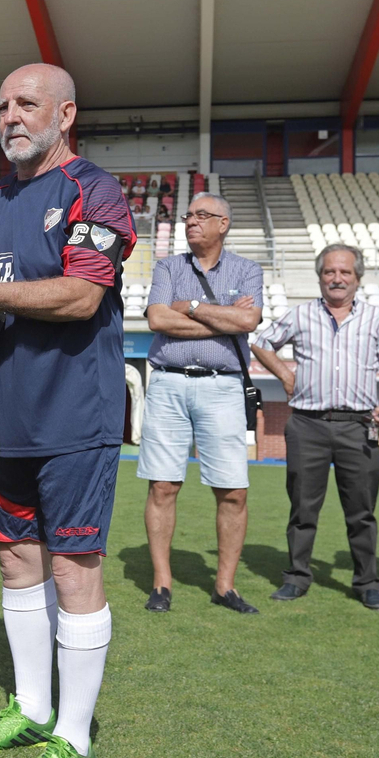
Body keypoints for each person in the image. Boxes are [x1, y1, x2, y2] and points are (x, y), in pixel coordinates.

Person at [0, 63, 133, 758]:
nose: (10, 115)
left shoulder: (94, 190)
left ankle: (73, 740)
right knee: (19, 561)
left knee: (75, 570)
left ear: (65, 113)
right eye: (3, 105)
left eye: (27, 103)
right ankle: (32, 707)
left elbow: (80, 294)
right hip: (8, 412)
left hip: (74, 414)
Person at [251, 245, 379, 611]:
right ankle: (296, 577)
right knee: (303, 508)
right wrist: (287, 375)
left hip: (358, 426)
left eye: (345, 272)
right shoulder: (301, 314)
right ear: (320, 277)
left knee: (362, 511)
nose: (337, 279)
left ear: (357, 277)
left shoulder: (377, 319)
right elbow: (261, 342)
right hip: (308, 425)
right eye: (329, 272)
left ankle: (367, 583)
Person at [137, 192, 262, 615]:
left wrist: (190, 308)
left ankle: (225, 586)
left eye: (201, 215)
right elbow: (157, 319)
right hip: (169, 384)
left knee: (233, 491)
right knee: (162, 486)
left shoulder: (247, 269)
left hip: (222, 386)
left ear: (223, 224)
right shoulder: (168, 266)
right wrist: (222, 318)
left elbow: (249, 321)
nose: (191, 221)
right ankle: (161, 583)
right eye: (188, 215)